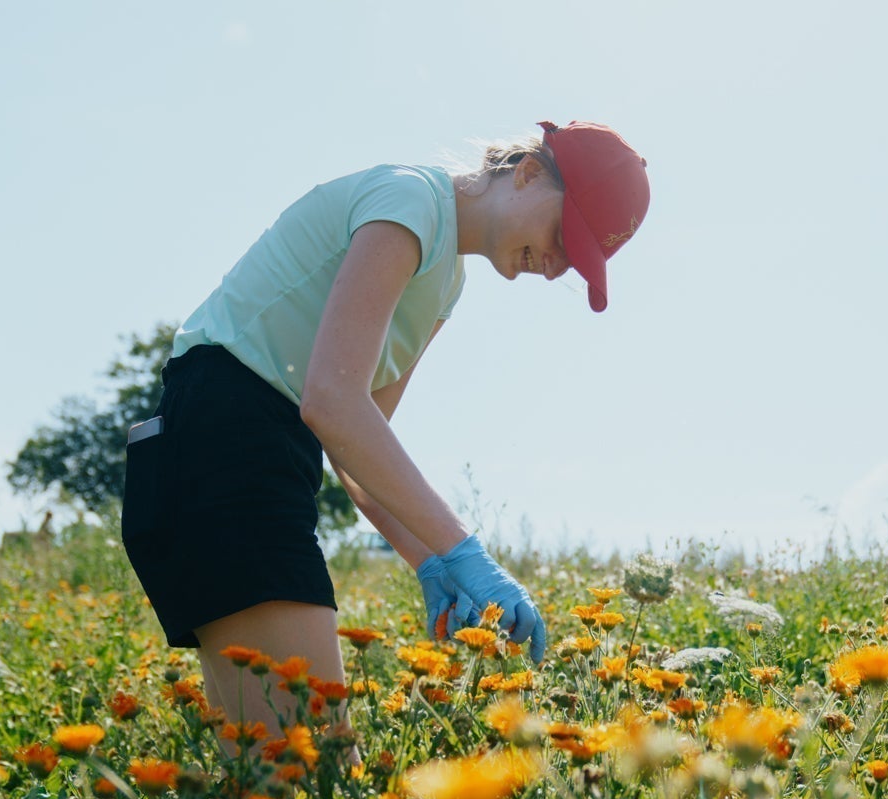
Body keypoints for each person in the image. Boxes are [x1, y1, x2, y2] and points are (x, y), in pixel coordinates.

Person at [121, 121, 650, 733]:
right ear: (528, 173)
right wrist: (466, 552)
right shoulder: (410, 202)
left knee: (272, 784)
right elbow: (333, 402)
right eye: (565, 235)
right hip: (223, 442)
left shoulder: (446, 283)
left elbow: (357, 441)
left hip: (262, 459)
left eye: (578, 260)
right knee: (305, 772)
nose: (557, 267)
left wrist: (429, 563)